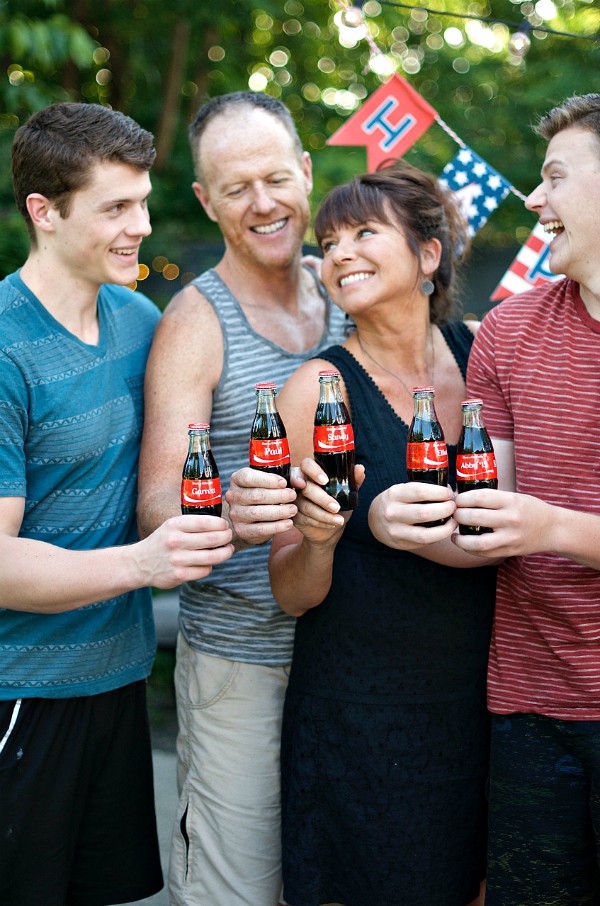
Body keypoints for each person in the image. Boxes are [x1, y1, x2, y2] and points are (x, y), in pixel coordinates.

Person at [0, 102, 234, 906]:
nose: (139, 225)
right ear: (45, 211)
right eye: (114, 207)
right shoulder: (2, 346)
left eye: (141, 200)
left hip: (117, 681)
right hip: (20, 691)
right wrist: (143, 563)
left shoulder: (140, 319)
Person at [137, 91, 348, 906]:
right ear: (204, 201)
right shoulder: (196, 319)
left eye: (273, 177)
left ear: (304, 171)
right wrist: (219, 512)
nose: (262, 203)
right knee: (239, 890)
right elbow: (156, 501)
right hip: (241, 661)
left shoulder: (349, 285)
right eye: (235, 187)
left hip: (356, 653)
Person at [268, 160, 497, 906]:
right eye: (330, 241)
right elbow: (291, 593)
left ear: (429, 256)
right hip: (359, 712)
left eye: (365, 232)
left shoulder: (487, 359)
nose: (339, 253)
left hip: (483, 699)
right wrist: (330, 535)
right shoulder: (314, 390)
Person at [450, 93, 600, 904]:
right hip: (528, 702)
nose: (534, 200)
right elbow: (488, 509)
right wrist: (401, 519)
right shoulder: (505, 333)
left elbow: (535, 522)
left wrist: (551, 526)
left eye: (553, 178)